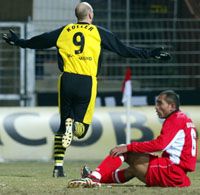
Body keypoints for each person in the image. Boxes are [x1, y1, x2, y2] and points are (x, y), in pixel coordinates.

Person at [2, 2, 170, 178]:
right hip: (87, 81)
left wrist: (18, 42)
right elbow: (124, 50)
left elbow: (39, 41)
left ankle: (58, 167)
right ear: (90, 15)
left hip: (66, 79)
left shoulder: (64, 31)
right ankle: (73, 126)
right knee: (81, 131)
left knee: (62, 125)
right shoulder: (99, 33)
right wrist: (150, 53)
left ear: (77, 16)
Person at [68, 90, 198, 188]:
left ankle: (93, 177)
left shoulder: (175, 119)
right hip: (177, 175)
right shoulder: (186, 120)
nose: (156, 107)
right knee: (132, 170)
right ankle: (94, 177)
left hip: (170, 171)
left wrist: (129, 147)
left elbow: (160, 144)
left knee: (123, 150)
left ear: (172, 106)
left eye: (160, 103)